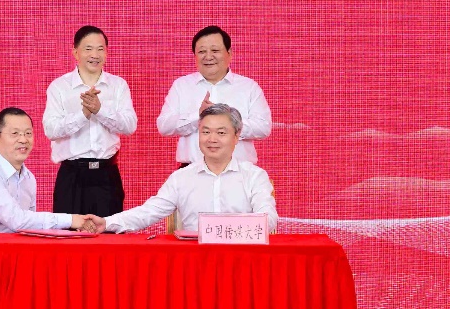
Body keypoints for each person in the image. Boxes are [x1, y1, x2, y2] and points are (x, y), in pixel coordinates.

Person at [104, 104, 277, 233]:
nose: (212, 139)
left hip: (241, 258)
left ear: (237, 136)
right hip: (194, 260)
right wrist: (106, 223)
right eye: (206, 132)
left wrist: (219, 230)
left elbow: (268, 220)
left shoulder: (254, 176)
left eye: (221, 133)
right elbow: (148, 212)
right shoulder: (181, 178)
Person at [43, 25, 137, 217]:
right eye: (88, 49)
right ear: (75, 52)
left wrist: (100, 111)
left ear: (106, 53)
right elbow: (51, 130)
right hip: (71, 176)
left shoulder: (118, 86)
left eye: (100, 49)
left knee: (109, 233)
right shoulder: (59, 87)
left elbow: (129, 126)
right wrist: (83, 114)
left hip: (106, 176)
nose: (95, 54)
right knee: (67, 233)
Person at [0, 107, 103, 233]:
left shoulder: (29, 177)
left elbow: (29, 224)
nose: (23, 140)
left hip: (15, 245)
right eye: (15, 133)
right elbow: (17, 221)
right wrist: (71, 220)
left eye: (28, 133)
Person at [157, 25, 271, 166]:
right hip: (191, 171)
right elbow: (164, 126)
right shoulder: (181, 85)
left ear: (229, 53)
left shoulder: (248, 87)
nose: (208, 57)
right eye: (202, 51)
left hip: (240, 171)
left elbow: (263, 127)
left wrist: (229, 123)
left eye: (215, 50)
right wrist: (198, 116)